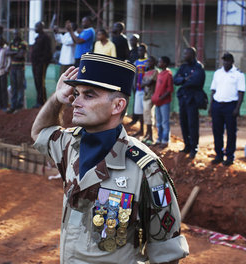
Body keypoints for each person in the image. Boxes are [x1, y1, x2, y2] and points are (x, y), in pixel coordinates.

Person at [31, 53, 189, 263]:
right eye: (76, 93)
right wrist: (57, 99)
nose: (75, 102)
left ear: (117, 106)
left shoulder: (145, 168)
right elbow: (40, 133)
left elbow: (167, 254)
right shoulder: (70, 144)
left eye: (89, 95)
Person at [209, 52, 245, 166]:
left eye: (228, 60)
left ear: (232, 62)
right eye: (224, 60)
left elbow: (241, 92)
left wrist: (237, 108)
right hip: (217, 105)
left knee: (231, 132)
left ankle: (230, 156)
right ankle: (219, 155)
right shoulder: (217, 73)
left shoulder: (239, 74)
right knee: (217, 131)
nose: (225, 62)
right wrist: (211, 106)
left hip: (230, 106)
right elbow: (213, 90)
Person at [173, 47, 206, 159]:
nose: (184, 56)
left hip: (193, 99)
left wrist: (183, 80)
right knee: (183, 123)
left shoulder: (198, 67)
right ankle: (187, 145)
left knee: (193, 124)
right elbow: (175, 80)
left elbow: (196, 81)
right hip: (183, 99)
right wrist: (185, 79)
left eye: (186, 54)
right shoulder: (183, 67)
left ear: (192, 55)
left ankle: (194, 147)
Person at [152, 56, 174, 148]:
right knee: (159, 122)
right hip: (157, 102)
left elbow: (169, 89)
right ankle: (159, 139)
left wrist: (161, 98)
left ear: (164, 63)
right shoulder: (160, 73)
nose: (158, 63)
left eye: (160, 62)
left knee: (165, 122)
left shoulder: (168, 74)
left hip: (164, 102)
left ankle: (165, 141)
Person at [31, 21, 52, 108]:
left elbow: (48, 52)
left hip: (41, 64)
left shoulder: (45, 37)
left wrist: (42, 61)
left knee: (40, 81)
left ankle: (42, 101)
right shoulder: (38, 38)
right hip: (35, 64)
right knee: (37, 82)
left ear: (41, 28)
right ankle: (39, 101)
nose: (35, 29)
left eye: (37, 27)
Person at [6, 29, 28, 113]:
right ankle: (13, 106)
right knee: (13, 87)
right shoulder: (11, 43)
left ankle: (19, 106)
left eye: (17, 34)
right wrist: (16, 52)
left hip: (20, 68)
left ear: (20, 35)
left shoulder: (23, 43)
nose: (16, 36)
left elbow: (21, 55)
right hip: (12, 68)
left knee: (20, 87)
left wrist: (13, 52)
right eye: (15, 34)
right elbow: (7, 53)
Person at [130, 44, 148, 137]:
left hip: (146, 90)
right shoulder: (136, 62)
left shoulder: (148, 62)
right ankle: (141, 130)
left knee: (147, 111)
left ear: (145, 51)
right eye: (139, 51)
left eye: (142, 50)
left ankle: (148, 132)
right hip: (138, 89)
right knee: (140, 111)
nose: (140, 52)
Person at [140, 56, 158, 145]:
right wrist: (145, 83)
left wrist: (145, 83)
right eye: (147, 62)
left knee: (149, 116)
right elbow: (142, 84)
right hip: (145, 96)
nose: (147, 63)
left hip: (151, 96)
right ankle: (147, 135)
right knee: (146, 116)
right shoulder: (146, 72)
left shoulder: (155, 72)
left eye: (149, 62)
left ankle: (151, 137)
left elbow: (148, 83)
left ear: (153, 63)